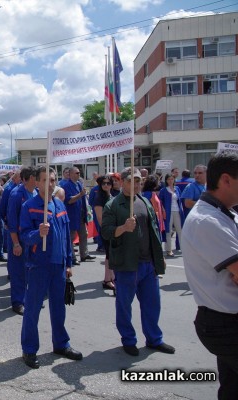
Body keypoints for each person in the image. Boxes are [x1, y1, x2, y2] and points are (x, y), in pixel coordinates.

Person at [101, 167, 175, 357]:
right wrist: (124, 227)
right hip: (127, 264)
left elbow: (154, 231)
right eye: (132, 180)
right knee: (124, 306)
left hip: (148, 263)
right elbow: (106, 232)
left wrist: (160, 258)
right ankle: (128, 339)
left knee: (152, 304)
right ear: (123, 182)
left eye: (139, 181)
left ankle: (154, 339)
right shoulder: (113, 205)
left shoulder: (144, 201)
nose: (137, 184)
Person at [182, 151, 238, 400]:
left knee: (232, 388)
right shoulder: (207, 220)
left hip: (228, 319)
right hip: (224, 323)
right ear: (226, 180)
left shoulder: (228, 213)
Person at [19, 166, 82, 368]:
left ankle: (61, 344)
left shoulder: (60, 205)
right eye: (45, 180)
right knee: (33, 309)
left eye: (53, 180)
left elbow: (66, 238)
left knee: (59, 307)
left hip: (59, 266)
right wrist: (38, 233)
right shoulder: (29, 206)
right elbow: (25, 236)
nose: (50, 184)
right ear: (37, 183)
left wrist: (69, 262)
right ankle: (29, 349)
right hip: (39, 266)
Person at [6, 166, 37, 315]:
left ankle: (27, 299)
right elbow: (11, 221)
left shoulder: (35, 193)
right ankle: (18, 302)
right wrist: (16, 243)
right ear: (30, 178)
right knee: (18, 272)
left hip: (31, 239)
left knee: (30, 271)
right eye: (37, 177)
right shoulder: (16, 194)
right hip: (19, 239)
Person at [62, 167, 95, 265]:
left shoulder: (79, 184)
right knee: (71, 237)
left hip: (80, 214)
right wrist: (80, 194)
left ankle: (84, 254)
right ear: (71, 174)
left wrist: (87, 211)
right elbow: (69, 200)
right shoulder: (66, 185)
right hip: (72, 215)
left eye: (79, 173)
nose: (78, 174)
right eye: (76, 173)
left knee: (83, 234)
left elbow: (84, 199)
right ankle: (72, 257)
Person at [92, 175, 115, 293]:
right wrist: (107, 231)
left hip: (113, 229)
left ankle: (108, 279)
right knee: (110, 254)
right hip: (107, 230)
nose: (106, 185)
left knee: (110, 255)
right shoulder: (99, 197)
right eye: (104, 183)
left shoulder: (110, 195)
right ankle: (111, 279)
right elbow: (100, 217)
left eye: (108, 183)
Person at [159, 173, 184, 257]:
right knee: (168, 231)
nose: (170, 181)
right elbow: (160, 202)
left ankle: (183, 248)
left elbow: (179, 200)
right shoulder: (163, 190)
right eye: (169, 179)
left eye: (172, 179)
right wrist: (163, 210)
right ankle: (169, 249)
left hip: (177, 211)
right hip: (168, 212)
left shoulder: (177, 189)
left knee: (179, 230)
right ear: (166, 180)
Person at [141, 175, 165, 240]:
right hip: (153, 220)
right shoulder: (149, 194)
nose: (159, 183)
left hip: (156, 219)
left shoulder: (149, 193)